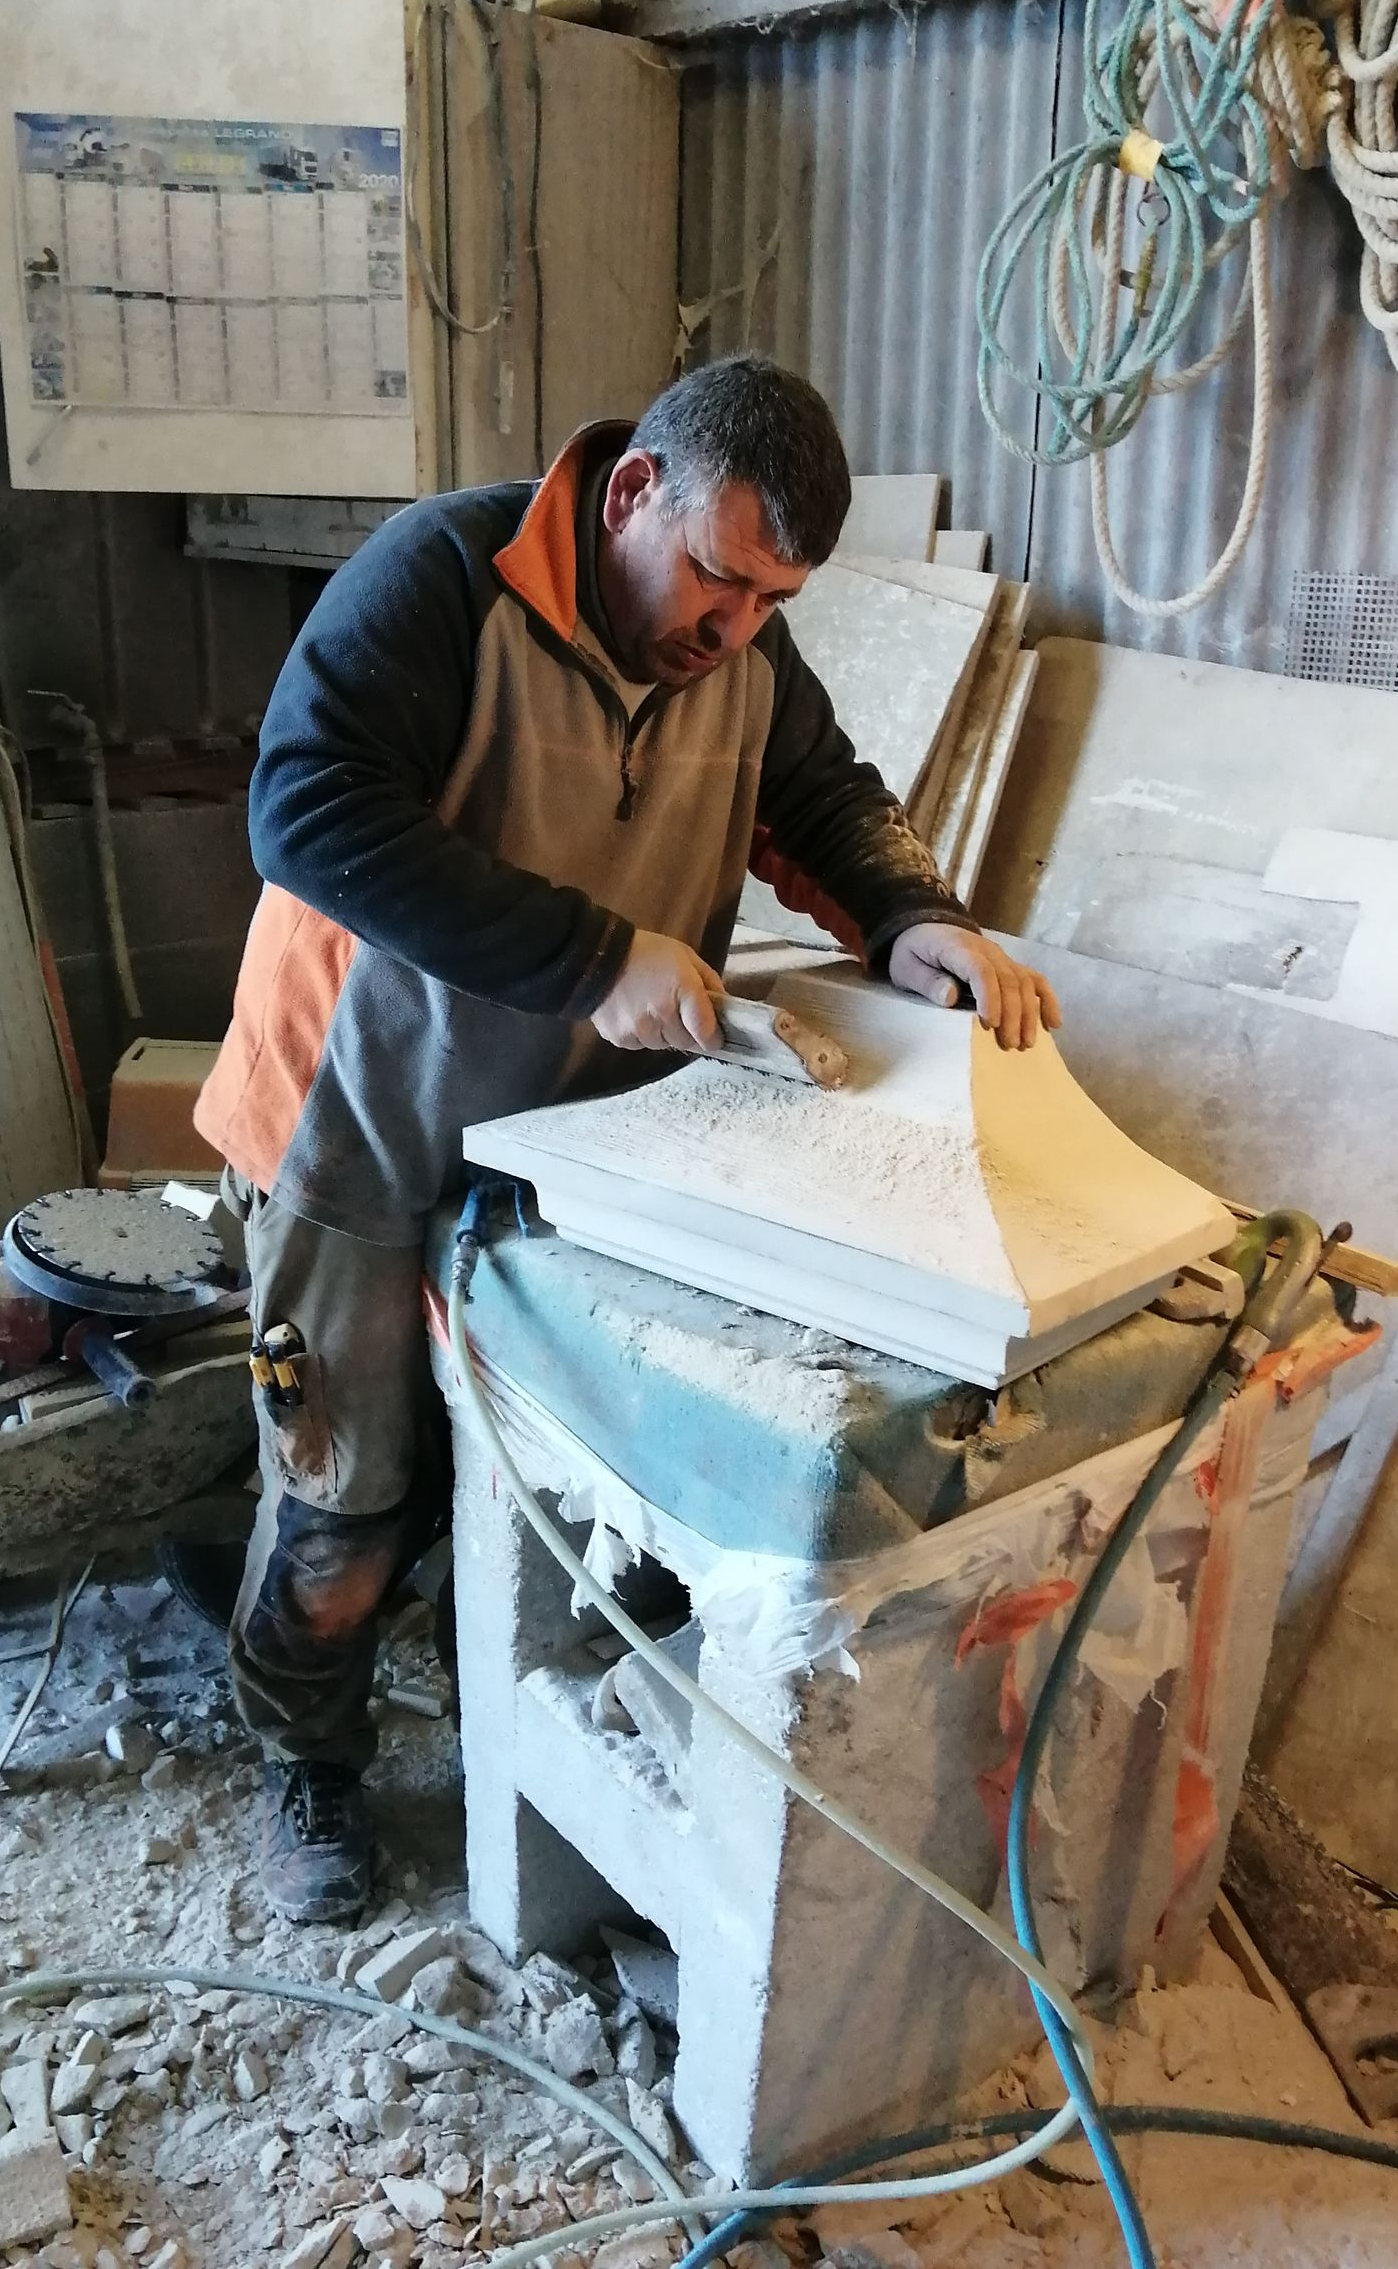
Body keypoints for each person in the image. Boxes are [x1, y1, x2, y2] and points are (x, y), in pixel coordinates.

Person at [195, 352, 1060, 1924]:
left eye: (770, 605)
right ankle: (303, 1754)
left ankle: (497, 1715)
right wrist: (600, 957)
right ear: (629, 495)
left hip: (579, 1150)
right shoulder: (441, 581)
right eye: (718, 580)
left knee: (536, 1492)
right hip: (357, 1126)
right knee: (342, 1511)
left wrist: (914, 916)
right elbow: (305, 810)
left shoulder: (736, 652)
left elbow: (827, 796)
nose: (732, 633)